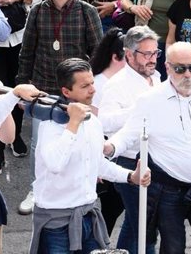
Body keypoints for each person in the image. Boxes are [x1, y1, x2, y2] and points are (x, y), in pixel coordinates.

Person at [106, 42, 191, 254]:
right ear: (167, 67)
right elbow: (129, 133)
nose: (188, 74)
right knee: (172, 249)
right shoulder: (150, 100)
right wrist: (109, 148)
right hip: (168, 191)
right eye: (180, 69)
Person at [29, 58, 147, 252]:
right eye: (85, 86)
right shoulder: (49, 126)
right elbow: (55, 164)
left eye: (92, 83)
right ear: (66, 92)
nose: (93, 89)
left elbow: (98, 164)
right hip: (55, 223)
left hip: (88, 215)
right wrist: (73, 124)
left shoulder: (93, 121)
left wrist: (130, 177)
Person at [17, 0, 103, 92]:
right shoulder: (37, 11)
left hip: (75, 91)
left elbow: (97, 54)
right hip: (42, 89)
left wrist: (89, 88)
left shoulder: (87, 11)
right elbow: (26, 53)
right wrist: (22, 86)